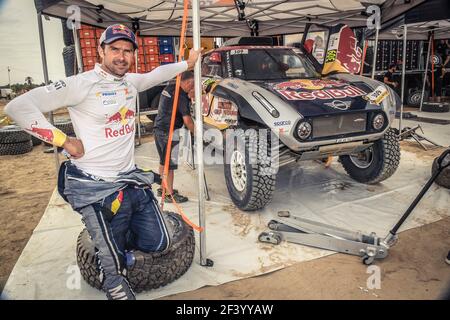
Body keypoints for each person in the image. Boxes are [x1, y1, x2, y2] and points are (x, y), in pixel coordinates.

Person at [5, 24, 201, 300]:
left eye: (127, 51)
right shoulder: (80, 84)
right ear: (100, 51)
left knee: (161, 241)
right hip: (95, 186)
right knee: (112, 261)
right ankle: (112, 274)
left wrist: (187, 63)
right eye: (114, 50)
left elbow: (155, 74)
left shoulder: (130, 82)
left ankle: (116, 241)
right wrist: (64, 141)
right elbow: (17, 107)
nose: (121, 57)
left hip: (129, 180)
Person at [154, 71, 195, 203]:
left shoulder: (170, 87)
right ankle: (169, 194)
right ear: (188, 82)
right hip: (169, 132)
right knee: (169, 166)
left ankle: (163, 188)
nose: (192, 88)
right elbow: (188, 120)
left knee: (163, 161)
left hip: (158, 129)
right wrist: (198, 134)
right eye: (192, 85)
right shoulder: (181, 95)